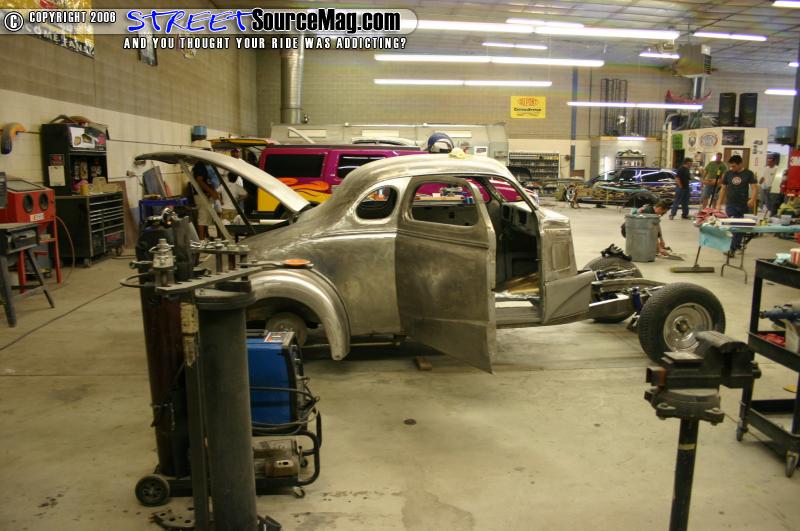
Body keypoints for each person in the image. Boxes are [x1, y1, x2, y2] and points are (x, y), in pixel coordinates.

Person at [716, 154, 758, 256]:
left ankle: (735, 246)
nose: (732, 168)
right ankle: (732, 248)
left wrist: (752, 199)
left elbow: (754, 188)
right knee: (733, 226)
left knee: (740, 228)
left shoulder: (748, 173)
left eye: (734, 166)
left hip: (743, 204)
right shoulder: (728, 173)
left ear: (740, 164)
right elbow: (723, 189)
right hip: (731, 204)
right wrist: (718, 203)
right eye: (731, 166)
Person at [191, 162, 221, 240]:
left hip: (205, 195)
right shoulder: (200, 166)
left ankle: (205, 237)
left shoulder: (203, 166)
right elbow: (199, 180)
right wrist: (211, 192)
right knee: (203, 218)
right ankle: (201, 240)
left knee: (206, 218)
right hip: (201, 195)